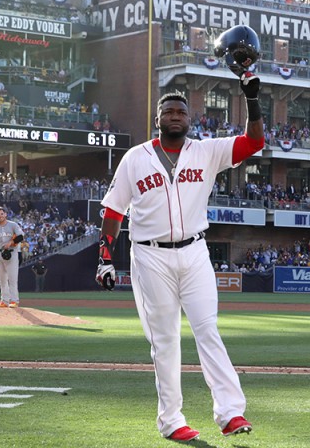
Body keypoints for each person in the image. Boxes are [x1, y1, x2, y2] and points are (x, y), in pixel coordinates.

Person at [95, 24, 264, 442]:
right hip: (149, 255)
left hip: (194, 253)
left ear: (190, 120)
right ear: (158, 120)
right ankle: (172, 421)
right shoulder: (135, 159)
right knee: (166, 340)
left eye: (182, 112)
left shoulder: (205, 151)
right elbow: (114, 211)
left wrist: (251, 95)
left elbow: (254, 142)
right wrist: (104, 257)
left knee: (208, 328)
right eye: (169, 112)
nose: (175, 116)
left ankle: (230, 413)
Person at [0, 207, 24, 308]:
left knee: (12, 278)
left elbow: (21, 237)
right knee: (2, 279)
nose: (0, 216)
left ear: (5, 214)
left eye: (2, 214)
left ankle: (14, 300)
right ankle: (4, 300)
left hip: (12, 253)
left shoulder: (13, 225)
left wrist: (11, 242)